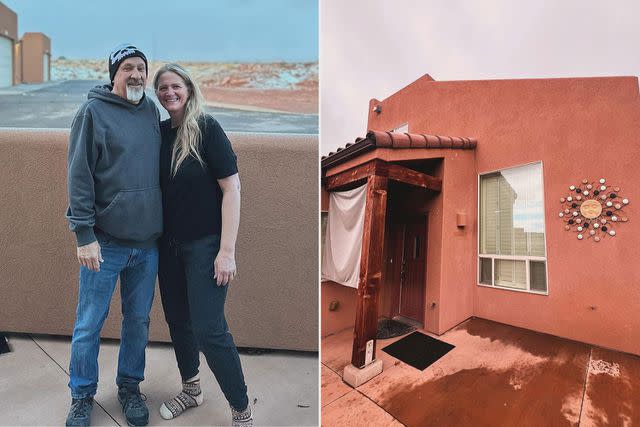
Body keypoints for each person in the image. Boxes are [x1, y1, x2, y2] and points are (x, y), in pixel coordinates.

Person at [65, 44, 162, 427]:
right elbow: (79, 175)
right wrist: (83, 234)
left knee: (138, 322)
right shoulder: (92, 112)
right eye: (127, 68)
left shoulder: (151, 111)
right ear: (113, 75)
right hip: (103, 243)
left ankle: (129, 388)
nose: (136, 75)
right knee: (89, 322)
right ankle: (81, 396)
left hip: (147, 245)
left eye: (141, 68)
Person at [153, 63, 252, 427]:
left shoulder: (207, 129)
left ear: (189, 89)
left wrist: (227, 251)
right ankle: (191, 390)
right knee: (179, 321)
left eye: (175, 86)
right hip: (168, 248)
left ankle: (241, 408)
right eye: (161, 88)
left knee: (210, 330)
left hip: (206, 247)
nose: (169, 93)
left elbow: (232, 189)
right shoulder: (160, 133)